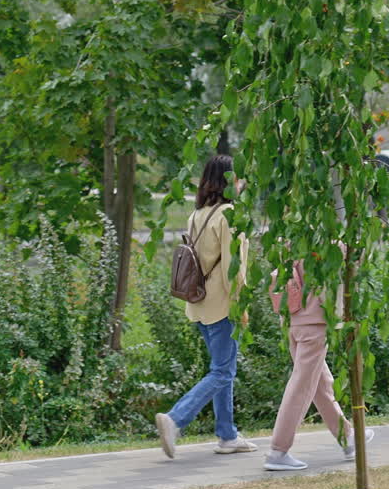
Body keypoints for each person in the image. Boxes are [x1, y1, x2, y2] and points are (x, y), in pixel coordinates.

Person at [154, 154, 257, 459]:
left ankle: (227, 435)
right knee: (223, 372)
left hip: (199, 304)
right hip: (222, 305)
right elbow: (233, 268)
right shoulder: (229, 216)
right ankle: (175, 419)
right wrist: (241, 305)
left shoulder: (198, 214)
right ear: (229, 181)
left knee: (222, 368)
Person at [263, 256, 374, 471]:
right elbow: (356, 258)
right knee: (301, 386)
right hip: (314, 322)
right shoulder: (329, 240)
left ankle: (348, 438)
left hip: (293, 319)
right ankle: (278, 451)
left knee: (321, 385)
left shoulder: (291, 235)